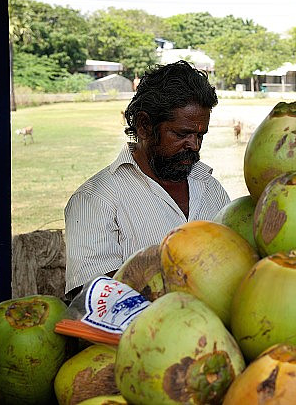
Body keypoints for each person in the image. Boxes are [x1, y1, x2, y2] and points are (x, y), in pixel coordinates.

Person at [64, 60, 231, 297]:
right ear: (144, 126)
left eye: (200, 135)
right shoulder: (94, 200)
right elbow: (90, 298)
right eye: (181, 134)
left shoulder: (210, 187)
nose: (194, 145)